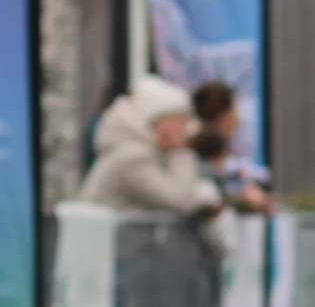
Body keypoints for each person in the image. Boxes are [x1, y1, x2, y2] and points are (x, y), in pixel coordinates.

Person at [78, 76, 224, 237]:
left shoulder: (139, 152)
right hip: (101, 245)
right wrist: (181, 150)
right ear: (160, 120)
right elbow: (180, 200)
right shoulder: (134, 157)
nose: (186, 129)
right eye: (181, 121)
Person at [190, 78, 274, 214]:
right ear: (223, 117)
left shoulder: (221, 158)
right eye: (234, 110)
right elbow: (211, 198)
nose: (238, 117)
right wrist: (242, 200)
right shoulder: (202, 157)